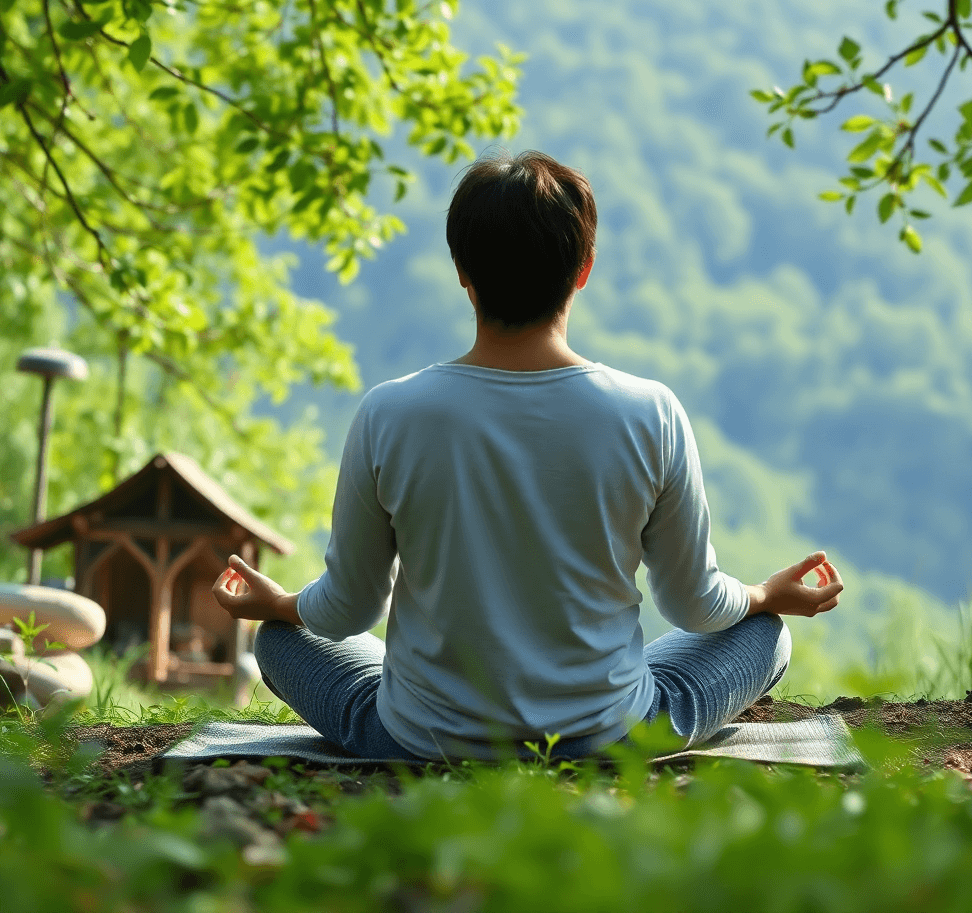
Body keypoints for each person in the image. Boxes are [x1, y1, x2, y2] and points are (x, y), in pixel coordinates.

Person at [212, 150, 843, 762]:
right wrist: (763, 596)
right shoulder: (650, 411)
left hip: (420, 738)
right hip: (608, 735)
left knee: (279, 643)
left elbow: (349, 610)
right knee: (764, 635)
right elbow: (694, 607)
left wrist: (279, 606)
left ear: (463, 271)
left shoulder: (390, 413)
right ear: (583, 270)